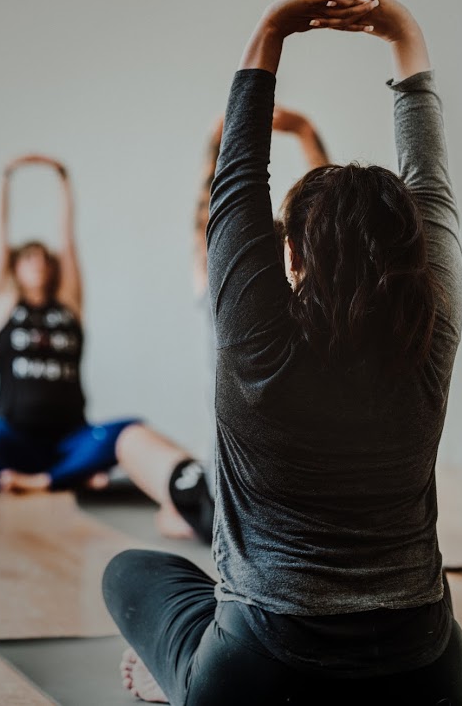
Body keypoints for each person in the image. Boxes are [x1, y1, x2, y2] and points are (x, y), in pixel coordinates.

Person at [103, 0, 462, 705]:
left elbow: (237, 180)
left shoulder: (256, 345)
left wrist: (272, 29)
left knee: (131, 572)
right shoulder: (429, 339)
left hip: (262, 674)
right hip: (427, 672)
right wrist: (405, 37)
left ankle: (172, 680)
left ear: (293, 260)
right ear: (413, 257)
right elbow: (432, 184)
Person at [114, 110, 330, 543]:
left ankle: (194, 513)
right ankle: (192, 511)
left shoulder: (223, 295)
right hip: (304, 495)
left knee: (130, 440)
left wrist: (219, 142)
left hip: (236, 498)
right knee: (176, 509)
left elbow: (206, 216)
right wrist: (307, 134)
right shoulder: (320, 300)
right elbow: (332, 222)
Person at [0, 154, 140, 492]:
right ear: (15, 269)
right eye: (29, 259)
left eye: (44, 259)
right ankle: (73, 476)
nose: (38, 264)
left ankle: (43, 480)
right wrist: (5, 176)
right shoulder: (3, 308)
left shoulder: (68, 305)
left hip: (70, 438)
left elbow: (68, 239)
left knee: (128, 432)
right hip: (17, 438)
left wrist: (62, 178)